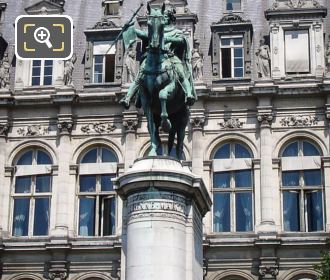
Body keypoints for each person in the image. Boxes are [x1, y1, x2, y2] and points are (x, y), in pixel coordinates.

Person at [119, 6, 196, 109]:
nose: (163, 18)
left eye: (165, 16)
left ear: (169, 18)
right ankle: (127, 98)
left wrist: (168, 39)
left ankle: (188, 94)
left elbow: (182, 40)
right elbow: (143, 34)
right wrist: (130, 29)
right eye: (162, 16)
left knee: (181, 73)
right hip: (154, 57)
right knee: (140, 75)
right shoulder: (156, 31)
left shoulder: (176, 31)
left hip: (170, 56)